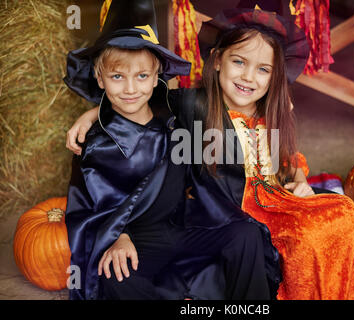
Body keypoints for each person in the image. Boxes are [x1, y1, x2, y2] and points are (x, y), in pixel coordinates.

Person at [67, 3, 354, 300]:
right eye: (239, 62)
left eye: (263, 70)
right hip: (235, 209)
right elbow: (145, 98)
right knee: (305, 230)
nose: (249, 77)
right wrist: (93, 114)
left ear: (274, 76)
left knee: (343, 210)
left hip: (279, 199)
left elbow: (289, 156)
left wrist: (301, 177)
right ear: (218, 60)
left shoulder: (273, 113)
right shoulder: (196, 105)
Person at [64, 0, 274, 300]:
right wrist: (118, 236)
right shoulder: (95, 145)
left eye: (141, 76)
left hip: (180, 230)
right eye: (117, 77)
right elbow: (83, 210)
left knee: (244, 235)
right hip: (134, 243)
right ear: (100, 79)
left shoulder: (176, 116)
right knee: (114, 276)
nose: (130, 89)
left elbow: (227, 101)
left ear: (156, 76)